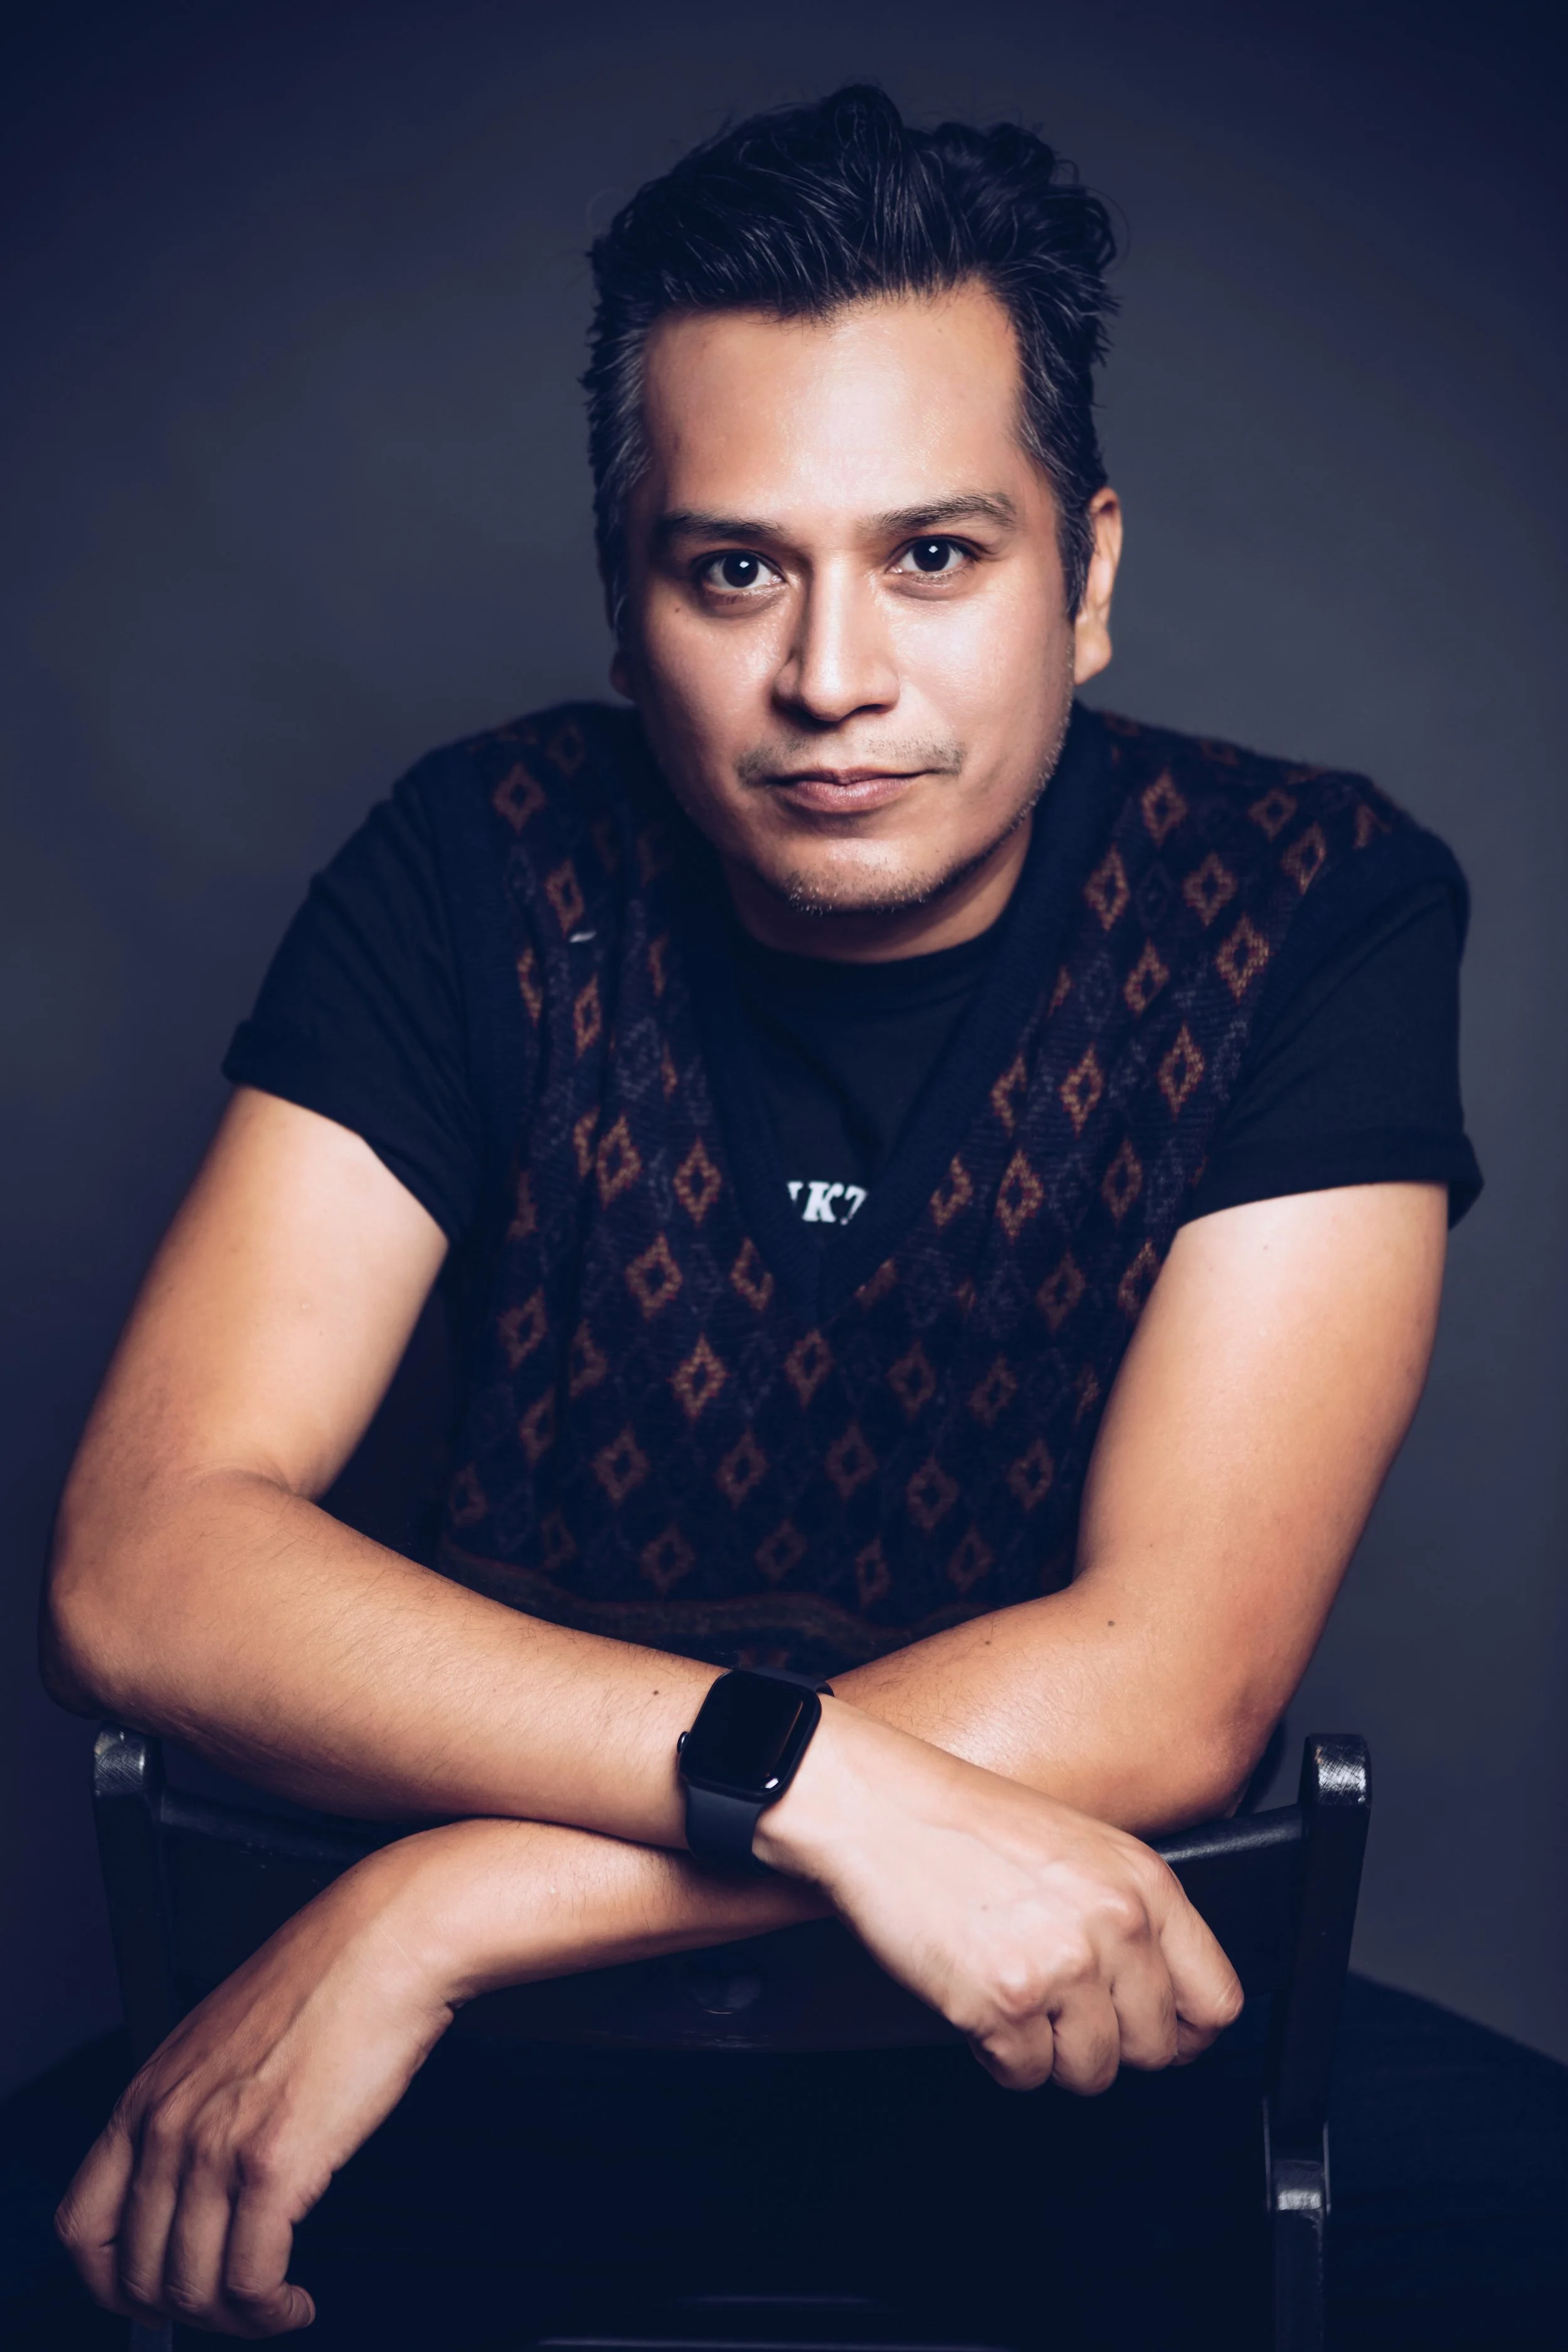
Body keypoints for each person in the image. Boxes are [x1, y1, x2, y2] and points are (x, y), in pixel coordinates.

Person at [43, 85, 1483, 2340]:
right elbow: (147, 1563)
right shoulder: (479, 858)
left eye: (933, 555)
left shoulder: (1312, 907)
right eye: (736, 569)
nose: (830, 677)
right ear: (631, 598)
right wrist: (811, 1783)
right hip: (492, 2106)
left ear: (1086, 575)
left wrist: (436, 1904)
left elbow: (1175, 1678)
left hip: (1044, 2043)